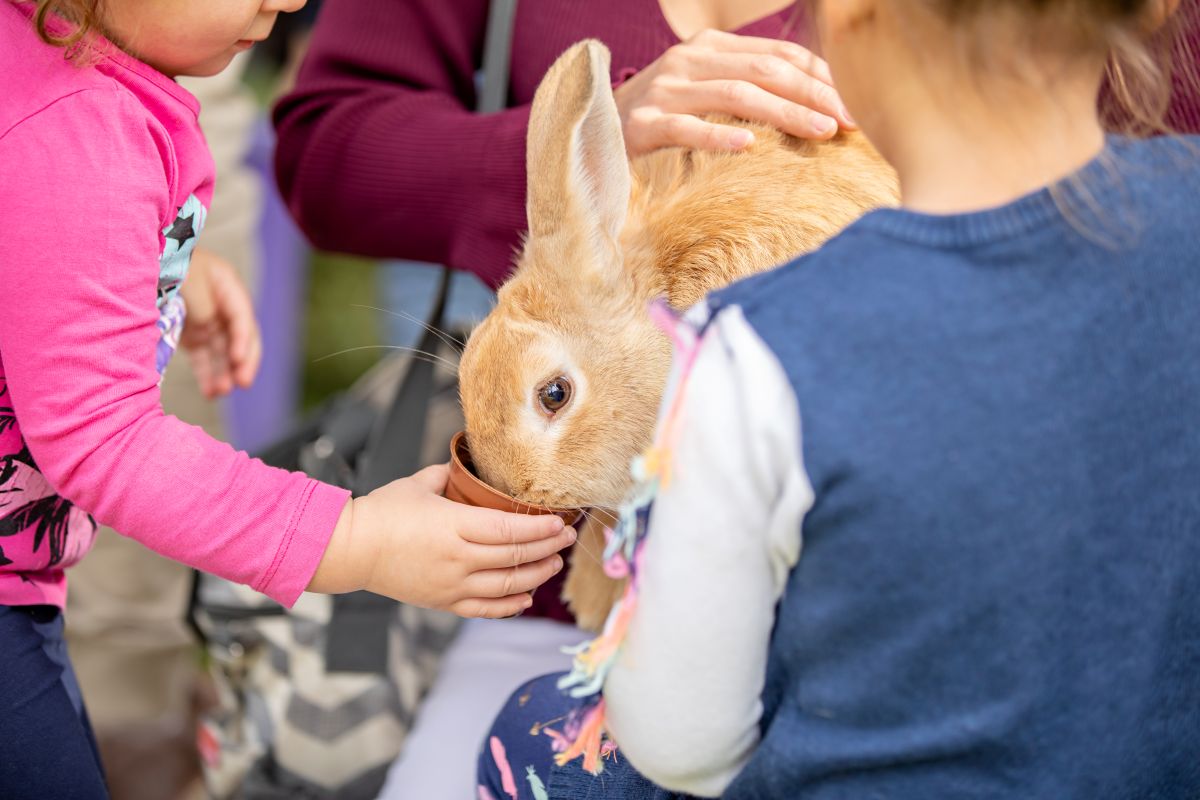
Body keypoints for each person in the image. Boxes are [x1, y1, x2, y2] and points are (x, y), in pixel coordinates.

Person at [477, 0, 1200, 797]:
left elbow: (683, 741)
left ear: (851, 15)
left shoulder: (757, 348)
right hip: (1152, 766)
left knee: (529, 733)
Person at [0, 1, 578, 797]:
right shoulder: (83, 132)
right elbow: (107, 441)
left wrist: (149, 263)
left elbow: (38, 217)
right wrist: (358, 539)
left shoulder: (42, 70)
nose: (287, 0)